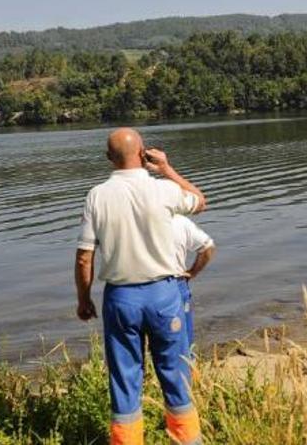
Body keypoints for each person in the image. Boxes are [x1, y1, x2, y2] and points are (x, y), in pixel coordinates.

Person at [74, 127, 206, 445]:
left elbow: (83, 258)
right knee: (175, 375)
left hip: (121, 299)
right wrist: (166, 169)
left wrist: (84, 299)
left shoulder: (97, 195)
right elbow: (200, 201)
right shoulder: (164, 190)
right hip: (165, 294)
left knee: (124, 379)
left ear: (108, 158)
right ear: (143, 152)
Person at [171, 215, 215, 357]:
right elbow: (207, 247)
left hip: (133, 288)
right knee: (184, 343)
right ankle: (189, 372)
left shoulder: (128, 220)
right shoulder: (178, 221)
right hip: (175, 283)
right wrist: (192, 272)